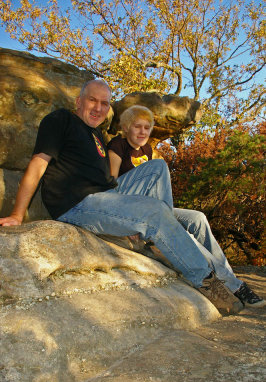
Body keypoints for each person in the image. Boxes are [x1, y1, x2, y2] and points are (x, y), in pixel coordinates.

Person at [0, 80, 262, 315]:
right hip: (79, 204)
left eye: (105, 103)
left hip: (109, 196)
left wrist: (130, 207)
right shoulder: (61, 120)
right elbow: (38, 163)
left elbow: (111, 183)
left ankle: (202, 264)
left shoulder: (96, 135)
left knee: (188, 208)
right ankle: (204, 279)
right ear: (79, 101)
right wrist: (17, 214)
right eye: (92, 100)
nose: (98, 108)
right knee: (154, 212)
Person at [107, 105, 265, 309]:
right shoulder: (117, 146)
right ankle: (235, 286)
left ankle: (228, 276)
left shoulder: (146, 150)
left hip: (152, 206)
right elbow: (112, 184)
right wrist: (126, 223)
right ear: (127, 127)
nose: (143, 132)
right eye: (137, 127)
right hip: (133, 210)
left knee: (197, 218)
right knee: (185, 236)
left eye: (147, 128)